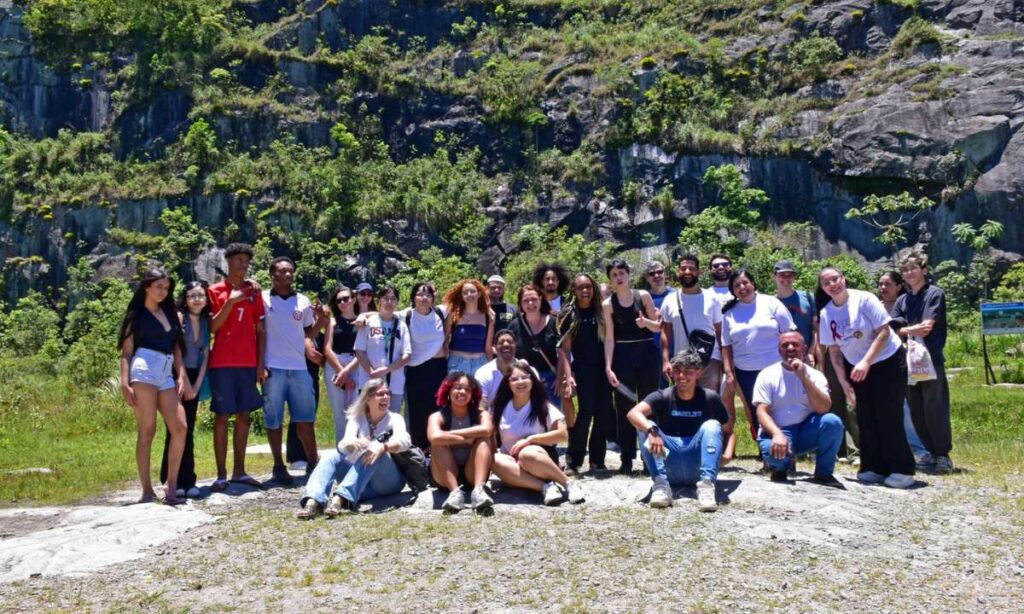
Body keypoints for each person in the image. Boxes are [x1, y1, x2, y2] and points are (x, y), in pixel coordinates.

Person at [818, 266, 916, 489]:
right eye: (827, 282)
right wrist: (843, 383)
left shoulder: (864, 299)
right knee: (865, 416)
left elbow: (884, 332)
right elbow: (833, 351)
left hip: (887, 361)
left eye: (836, 279)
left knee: (887, 414)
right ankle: (874, 466)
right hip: (857, 368)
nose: (833, 284)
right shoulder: (826, 313)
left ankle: (902, 468)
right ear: (823, 288)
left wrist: (866, 361)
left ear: (843, 278)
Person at [118, 267, 189, 505]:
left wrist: (180, 375)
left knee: (180, 426)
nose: (162, 291)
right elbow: (126, 352)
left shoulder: (171, 313)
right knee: (147, 430)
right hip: (144, 366)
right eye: (158, 286)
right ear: (147, 286)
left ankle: (171, 486)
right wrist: (124, 382)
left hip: (166, 370)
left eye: (166, 288)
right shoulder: (135, 316)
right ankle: (147, 491)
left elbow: (177, 347)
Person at [627, 348, 729, 511]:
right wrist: (651, 430)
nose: (682, 376)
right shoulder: (662, 396)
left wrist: (728, 454)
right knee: (644, 425)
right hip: (669, 466)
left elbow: (727, 429)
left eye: (688, 372)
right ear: (672, 373)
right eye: (677, 371)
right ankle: (660, 485)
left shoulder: (710, 398)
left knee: (712, 426)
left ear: (698, 373)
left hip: (697, 466)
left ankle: (707, 486)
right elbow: (633, 413)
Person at [297, 379, 410, 518]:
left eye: (388, 393)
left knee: (374, 451)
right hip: (363, 485)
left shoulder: (395, 419)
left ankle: (339, 499)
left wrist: (383, 447)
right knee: (330, 457)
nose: (386, 397)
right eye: (380, 394)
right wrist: (352, 442)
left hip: (389, 482)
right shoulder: (357, 418)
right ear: (368, 398)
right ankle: (313, 502)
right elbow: (343, 444)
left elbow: (405, 441)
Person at [660, 254, 733, 462]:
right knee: (683, 406)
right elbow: (666, 333)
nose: (687, 272)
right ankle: (686, 449)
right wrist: (666, 360)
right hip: (681, 363)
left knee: (709, 404)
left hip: (710, 360)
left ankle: (711, 450)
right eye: (683, 268)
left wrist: (726, 365)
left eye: (692, 268)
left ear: (699, 272)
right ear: (678, 272)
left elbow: (721, 334)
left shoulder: (712, 298)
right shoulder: (670, 300)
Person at [207, 243, 265, 491]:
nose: (243, 264)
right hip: (221, 362)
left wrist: (260, 363)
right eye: (238, 260)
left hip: (247, 362)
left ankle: (239, 471)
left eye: (246, 261)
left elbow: (260, 329)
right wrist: (230, 302)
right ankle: (221, 475)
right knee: (222, 416)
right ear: (228, 261)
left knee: (245, 415)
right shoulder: (214, 291)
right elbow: (212, 327)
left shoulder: (254, 292)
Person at [754, 331, 844, 484]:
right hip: (779, 432)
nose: (790, 348)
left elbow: (824, 408)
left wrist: (804, 378)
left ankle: (824, 473)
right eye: (785, 345)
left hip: (805, 431)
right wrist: (777, 434)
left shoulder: (816, 376)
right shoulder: (767, 374)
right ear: (779, 350)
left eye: (795, 344)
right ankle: (780, 469)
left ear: (804, 348)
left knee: (833, 422)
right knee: (775, 453)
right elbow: (761, 411)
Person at [260, 256, 320, 485]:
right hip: (273, 367)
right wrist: (259, 365)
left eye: (290, 271)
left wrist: (322, 321)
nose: (287, 275)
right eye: (282, 271)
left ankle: (313, 462)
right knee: (273, 419)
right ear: (272, 275)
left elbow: (308, 334)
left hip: (299, 367)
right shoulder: (263, 298)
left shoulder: (303, 301)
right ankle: (278, 465)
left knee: (305, 418)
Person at [490, 360, 584, 505]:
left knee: (526, 454)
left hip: (538, 458)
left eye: (524, 377)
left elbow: (562, 434)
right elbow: (491, 435)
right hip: (513, 462)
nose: (520, 382)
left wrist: (531, 440)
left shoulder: (542, 405)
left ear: (532, 380)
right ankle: (545, 487)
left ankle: (568, 484)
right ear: (507, 383)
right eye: (514, 379)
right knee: (493, 459)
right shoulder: (501, 407)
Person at [892, 253, 952, 474]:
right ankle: (927, 453)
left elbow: (927, 326)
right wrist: (908, 330)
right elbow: (892, 330)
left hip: (931, 359)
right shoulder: (902, 300)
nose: (909, 273)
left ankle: (942, 454)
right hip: (907, 362)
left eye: (913, 268)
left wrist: (905, 330)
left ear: (924, 270)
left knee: (935, 407)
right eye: (905, 270)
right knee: (916, 409)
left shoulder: (934, 294)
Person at [720, 269, 795, 440]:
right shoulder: (729, 313)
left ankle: (788, 447)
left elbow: (790, 334)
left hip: (776, 368)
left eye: (745, 282)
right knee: (755, 410)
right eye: (737, 285)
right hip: (745, 371)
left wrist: (793, 360)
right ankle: (765, 451)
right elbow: (726, 346)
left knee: (781, 408)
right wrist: (729, 373)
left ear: (753, 283)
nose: (742, 287)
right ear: (733, 290)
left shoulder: (771, 303)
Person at [603, 259, 663, 474]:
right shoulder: (608, 304)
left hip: (647, 355)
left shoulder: (643, 296)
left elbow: (658, 327)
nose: (619, 277)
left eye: (621, 273)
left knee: (649, 405)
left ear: (628, 274)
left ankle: (651, 457)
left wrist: (645, 323)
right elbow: (609, 338)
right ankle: (627, 456)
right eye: (614, 275)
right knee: (624, 406)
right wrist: (608, 367)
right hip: (622, 357)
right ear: (610, 280)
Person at [558, 273, 613, 474]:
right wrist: (568, 374)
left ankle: (597, 460)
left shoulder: (602, 311)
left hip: (603, 368)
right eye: (580, 287)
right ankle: (574, 460)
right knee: (585, 412)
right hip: (583, 369)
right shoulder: (569, 314)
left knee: (603, 412)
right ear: (574, 290)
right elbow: (565, 349)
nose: (585, 291)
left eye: (588, 287)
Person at [159, 281, 209, 500]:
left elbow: (206, 353)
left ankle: (189, 480)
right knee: (177, 427)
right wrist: (184, 380)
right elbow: (176, 348)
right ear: (185, 299)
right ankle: (171, 479)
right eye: (192, 296)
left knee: (188, 428)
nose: (197, 299)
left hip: (195, 374)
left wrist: (197, 384)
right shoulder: (181, 318)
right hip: (174, 374)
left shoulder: (207, 321)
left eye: (201, 295)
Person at [427, 372, 494, 512]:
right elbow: (434, 437)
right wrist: (468, 438)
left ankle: (479, 491)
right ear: (448, 390)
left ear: (473, 394)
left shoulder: (482, 414)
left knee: (483, 440)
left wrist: (449, 435)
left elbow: (487, 430)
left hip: (472, 472)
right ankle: (455, 493)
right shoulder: (437, 416)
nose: (462, 392)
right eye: (457, 388)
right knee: (437, 444)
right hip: (444, 475)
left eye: (467, 389)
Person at [878, 270, 926, 461]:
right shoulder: (875, 306)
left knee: (909, 404)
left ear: (899, 286)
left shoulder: (908, 303)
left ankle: (918, 447)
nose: (883, 288)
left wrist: (903, 331)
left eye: (888, 284)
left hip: (908, 358)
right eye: (880, 284)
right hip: (881, 361)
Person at [400, 281, 448, 451]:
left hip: (439, 369)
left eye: (428, 294)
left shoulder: (441, 312)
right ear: (413, 297)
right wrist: (363, 316)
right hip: (416, 370)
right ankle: (419, 451)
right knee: (417, 412)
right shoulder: (406, 314)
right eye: (420, 294)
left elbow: (464, 301)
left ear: (433, 298)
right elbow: (382, 313)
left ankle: (438, 449)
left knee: (438, 408)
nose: (424, 298)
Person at [354, 286, 412, 412]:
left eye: (393, 299)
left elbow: (407, 355)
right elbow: (359, 350)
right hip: (369, 380)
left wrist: (386, 369)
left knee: (390, 420)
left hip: (394, 382)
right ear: (379, 300)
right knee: (368, 418)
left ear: (397, 302)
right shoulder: (368, 323)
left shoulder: (401, 326)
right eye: (385, 298)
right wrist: (371, 371)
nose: (389, 302)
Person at [506, 284, 562, 405]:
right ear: (520, 304)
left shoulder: (554, 322)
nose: (530, 304)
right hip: (524, 381)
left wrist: (560, 378)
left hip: (551, 380)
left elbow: (564, 353)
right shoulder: (514, 326)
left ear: (541, 299)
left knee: (551, 419)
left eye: (534, 299)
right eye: (526, 300)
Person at [323, 286, 361, 443]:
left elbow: (363, 350)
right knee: (339, 412)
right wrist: (342, 372)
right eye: (339, 301)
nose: (343, 302)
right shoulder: (332, 322)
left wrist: (347, 371)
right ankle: (341, 451)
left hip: (357, 364)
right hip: (335, 365)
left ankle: (356, 449)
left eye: (346, 298)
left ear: (353, 299)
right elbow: (327, 349)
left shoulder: (362, 321)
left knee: (357, 410)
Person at [475, 329, 539, 411]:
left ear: (516, 345)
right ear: (494, 347)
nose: (506, 344)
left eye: (510, 342)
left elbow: (539, 399)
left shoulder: (530, 372)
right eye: (501, 342)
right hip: (494, 420)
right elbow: (482, 405)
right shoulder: (483, 373)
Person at [443, 279, 494, 375]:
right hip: (457, 364)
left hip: (480, 364)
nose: (469, 294)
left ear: (479, 294)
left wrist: (491, 367)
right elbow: (445, 341)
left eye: (473, 291)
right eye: (465, 293)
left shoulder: (487, 317)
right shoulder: (454, 315)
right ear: (462, 296)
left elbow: (488, 347)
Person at [772, 260, 818, 366]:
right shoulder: (770, 303)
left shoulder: (807, 297)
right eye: (782, 275)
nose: (786, 278)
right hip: (780, 359)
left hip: (806, 357)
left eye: (790, 275)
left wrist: (811, 353)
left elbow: (817, 330)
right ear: (774, 276)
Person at [643, 260, 673, 366]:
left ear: (665, 274)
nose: (656, 275)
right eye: (652, 273)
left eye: (660, 272)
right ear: (647, 278)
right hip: (652, 352)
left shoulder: (677, 295)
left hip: (677, 348)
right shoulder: (643, 299)